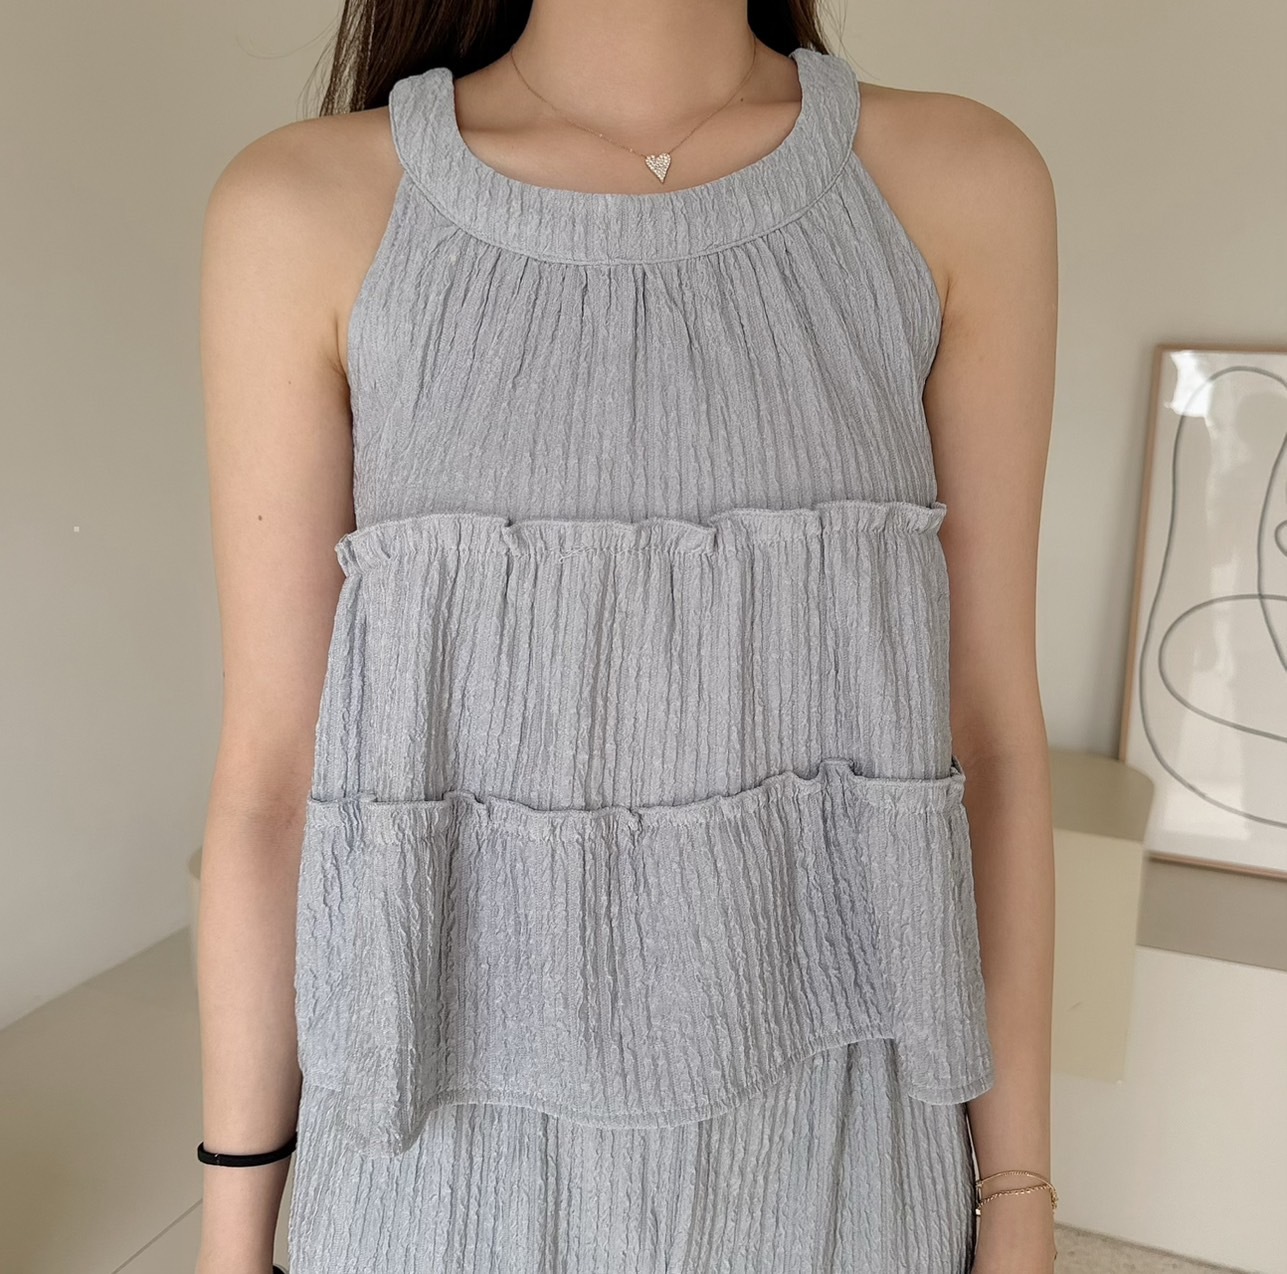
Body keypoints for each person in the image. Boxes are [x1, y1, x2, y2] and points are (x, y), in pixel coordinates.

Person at [193, 2, 1059, 1271]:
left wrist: (1020, 1198)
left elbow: (990, 739)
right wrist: (231, 1238)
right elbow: (275, 786)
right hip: (429, 1189)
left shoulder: (960, 184)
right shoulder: (303, 209)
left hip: (844, 1174)